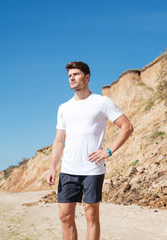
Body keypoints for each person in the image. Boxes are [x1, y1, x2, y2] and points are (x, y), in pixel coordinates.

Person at [46, 61, 134, 240]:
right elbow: (59, 140)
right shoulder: (64, 108)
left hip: (92, 169)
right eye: (70, 76)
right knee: (64, 216)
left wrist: (108, 151)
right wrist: (52, 167)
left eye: (76, 74)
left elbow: (127, 127)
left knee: (90, 214)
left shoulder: (102, 102)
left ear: (87, 77)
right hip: (68, 170)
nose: (72, 78)